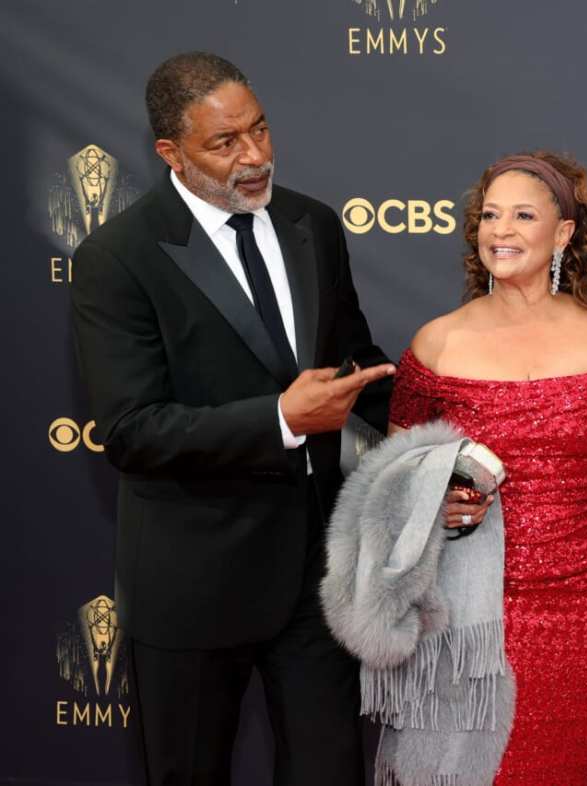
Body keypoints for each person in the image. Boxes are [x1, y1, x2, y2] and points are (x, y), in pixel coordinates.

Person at [69, 52, 395, 786]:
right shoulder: (117, 258)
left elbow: (353, 362)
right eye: (225, 143)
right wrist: (279, 417)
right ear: (170, 153)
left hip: (317, 576)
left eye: (260, 130)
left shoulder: (312, 224)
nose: (254, 156)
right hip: (192, 587)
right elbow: (131, 429)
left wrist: (425, 444)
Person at [386, 151, 587, 784]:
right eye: (489, 216)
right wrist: (436, 500)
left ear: (564, 233)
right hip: (466, 602)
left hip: (584, 600)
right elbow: (394, 476)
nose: (500, 231)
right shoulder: (436, 344)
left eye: (522, 215)